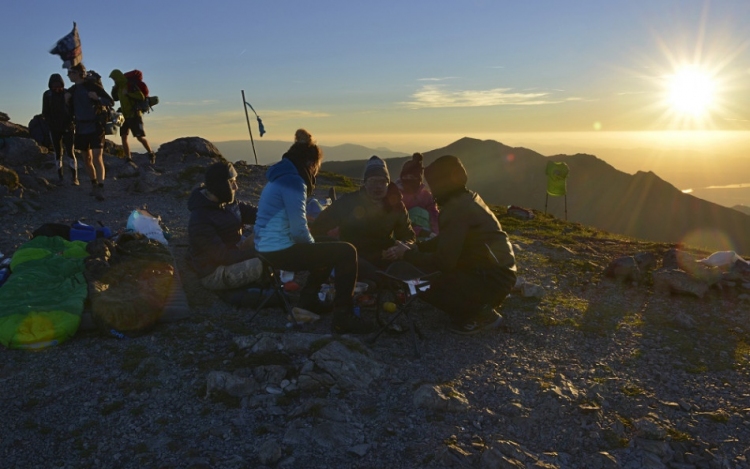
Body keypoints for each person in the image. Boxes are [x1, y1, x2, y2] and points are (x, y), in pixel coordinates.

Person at [253, 130, 372, 334]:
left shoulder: (280, 177)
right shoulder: (294, 182)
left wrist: (317, 246)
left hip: (267, 245)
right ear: (310, 163)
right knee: (347, 251)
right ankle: (343, 316)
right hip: (279, 250)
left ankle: (309, 299)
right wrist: (315, 248)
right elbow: (299, 231)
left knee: (328, 244)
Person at [389, 155, 517, 335]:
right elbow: (447, 239)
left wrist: (407, 255)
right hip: (498, 275)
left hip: (490, 282)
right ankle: (475, 304)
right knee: (424, 272)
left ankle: (479, 313)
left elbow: (443, 262)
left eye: (433, 183)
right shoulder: (467, 198)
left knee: (418, 283)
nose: (431, 190)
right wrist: (418, 248)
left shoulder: (455, 210)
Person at [310, 155, 416, 283]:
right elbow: (319, 226)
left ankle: (385, 280)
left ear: (388, 183)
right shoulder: (349, 202)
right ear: (365, 183)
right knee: (355, 264)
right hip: (354, 254)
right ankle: (383, 280)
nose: (378, 186)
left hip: (384, 255)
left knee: (409, 264)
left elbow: (408, 235)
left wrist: (400, 248)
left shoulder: (396, 205)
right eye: (373, 181)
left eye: (382, 182)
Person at [188, 162, 263, 305]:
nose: (236, 187)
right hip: (214, 272)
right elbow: (223, 257)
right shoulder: (200, 218)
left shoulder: (227, 202)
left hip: (235, 252)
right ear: (220, 185)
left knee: (272, 234)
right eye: (231, 182)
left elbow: (258, 214)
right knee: (269, 262)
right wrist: (260, 252)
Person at [65, 64, 114, 201]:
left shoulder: (92, 87)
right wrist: (67, 102)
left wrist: (97, 98)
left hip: (95, 126)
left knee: (97, 157)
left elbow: (110, 101)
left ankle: (101, 187)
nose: (68, 75)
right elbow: (69, 110)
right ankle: (94, 184)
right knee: (86, 159)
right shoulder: (72, 91)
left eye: (70, 73)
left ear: (78, 73)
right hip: (80, 127)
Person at [109, 69, 156, 165]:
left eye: (115, 79)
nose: (114, 81)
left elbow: (141, 97)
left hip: (134, 115)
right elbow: (115, 98)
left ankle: (151, 153)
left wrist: (128, 94)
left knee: (139, 137)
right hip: (123, 115)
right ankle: (128, 158)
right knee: (123, 137)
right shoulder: (119, 87)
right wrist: (114, 88)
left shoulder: (130, 86)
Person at [42, 73, 78, 185]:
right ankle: (60, 177)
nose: (57, 88)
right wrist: (50, 123)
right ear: (50, 86)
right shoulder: (47, 95)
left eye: (59, 86)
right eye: (54, 86)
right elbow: (45, 112)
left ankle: (74, 178)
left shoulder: (67, 94)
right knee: (58, 153)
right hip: (54, 128)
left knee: (70, 152)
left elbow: (73, 109)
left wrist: (72, 121)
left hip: (68, 126)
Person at [396, 153, 439, 240]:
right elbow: (398, 222)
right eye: (405, 176)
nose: (408, 179)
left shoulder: (426, 195)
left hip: (428, 235)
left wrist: (435, 233)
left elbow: (434, 215)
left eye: (411, 177)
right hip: (404, 235)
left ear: (418, 179)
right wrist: (421, 231)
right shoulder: (397, 195)